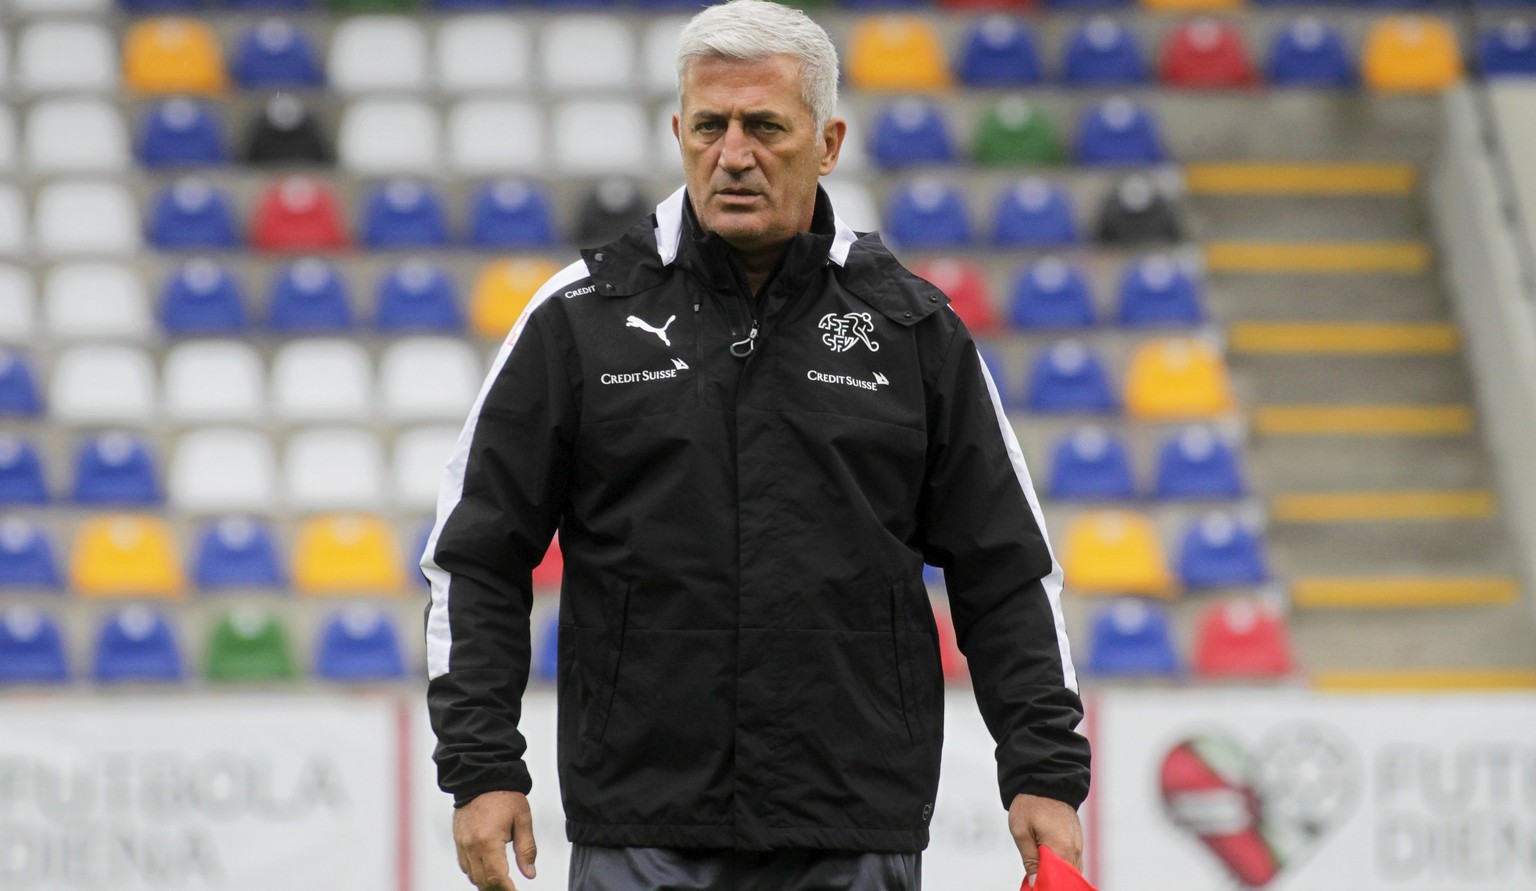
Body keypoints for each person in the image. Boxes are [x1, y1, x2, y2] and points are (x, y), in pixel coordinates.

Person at [422, 2, 1091, 889]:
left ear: (828, 142)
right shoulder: (581, 317)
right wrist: (482, 766)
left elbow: (1005, 569)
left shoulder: (912, 330)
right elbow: (476, 555)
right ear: (679, 131)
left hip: (852, 828)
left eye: (765, 126)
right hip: (641, 829)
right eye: (710, 126)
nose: (733, 154)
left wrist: (1043, 770)